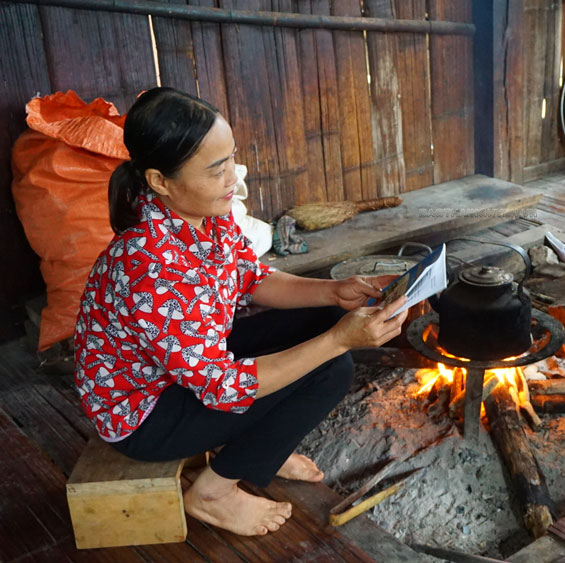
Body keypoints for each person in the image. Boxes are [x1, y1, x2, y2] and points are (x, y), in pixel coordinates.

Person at [74, 87, 407, 537]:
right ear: (159, 181)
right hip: (147, 413)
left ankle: (260, 444)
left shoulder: (207, 213)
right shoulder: (150, 266)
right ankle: (212, 492)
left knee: (326, 324)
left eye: (231, 159)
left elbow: (251, 278)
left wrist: (335, 292)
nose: (232, 178)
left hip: (184, 369)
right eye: (216, 170)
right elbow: (221, 386)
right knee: (330, 366)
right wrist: (338, 341)